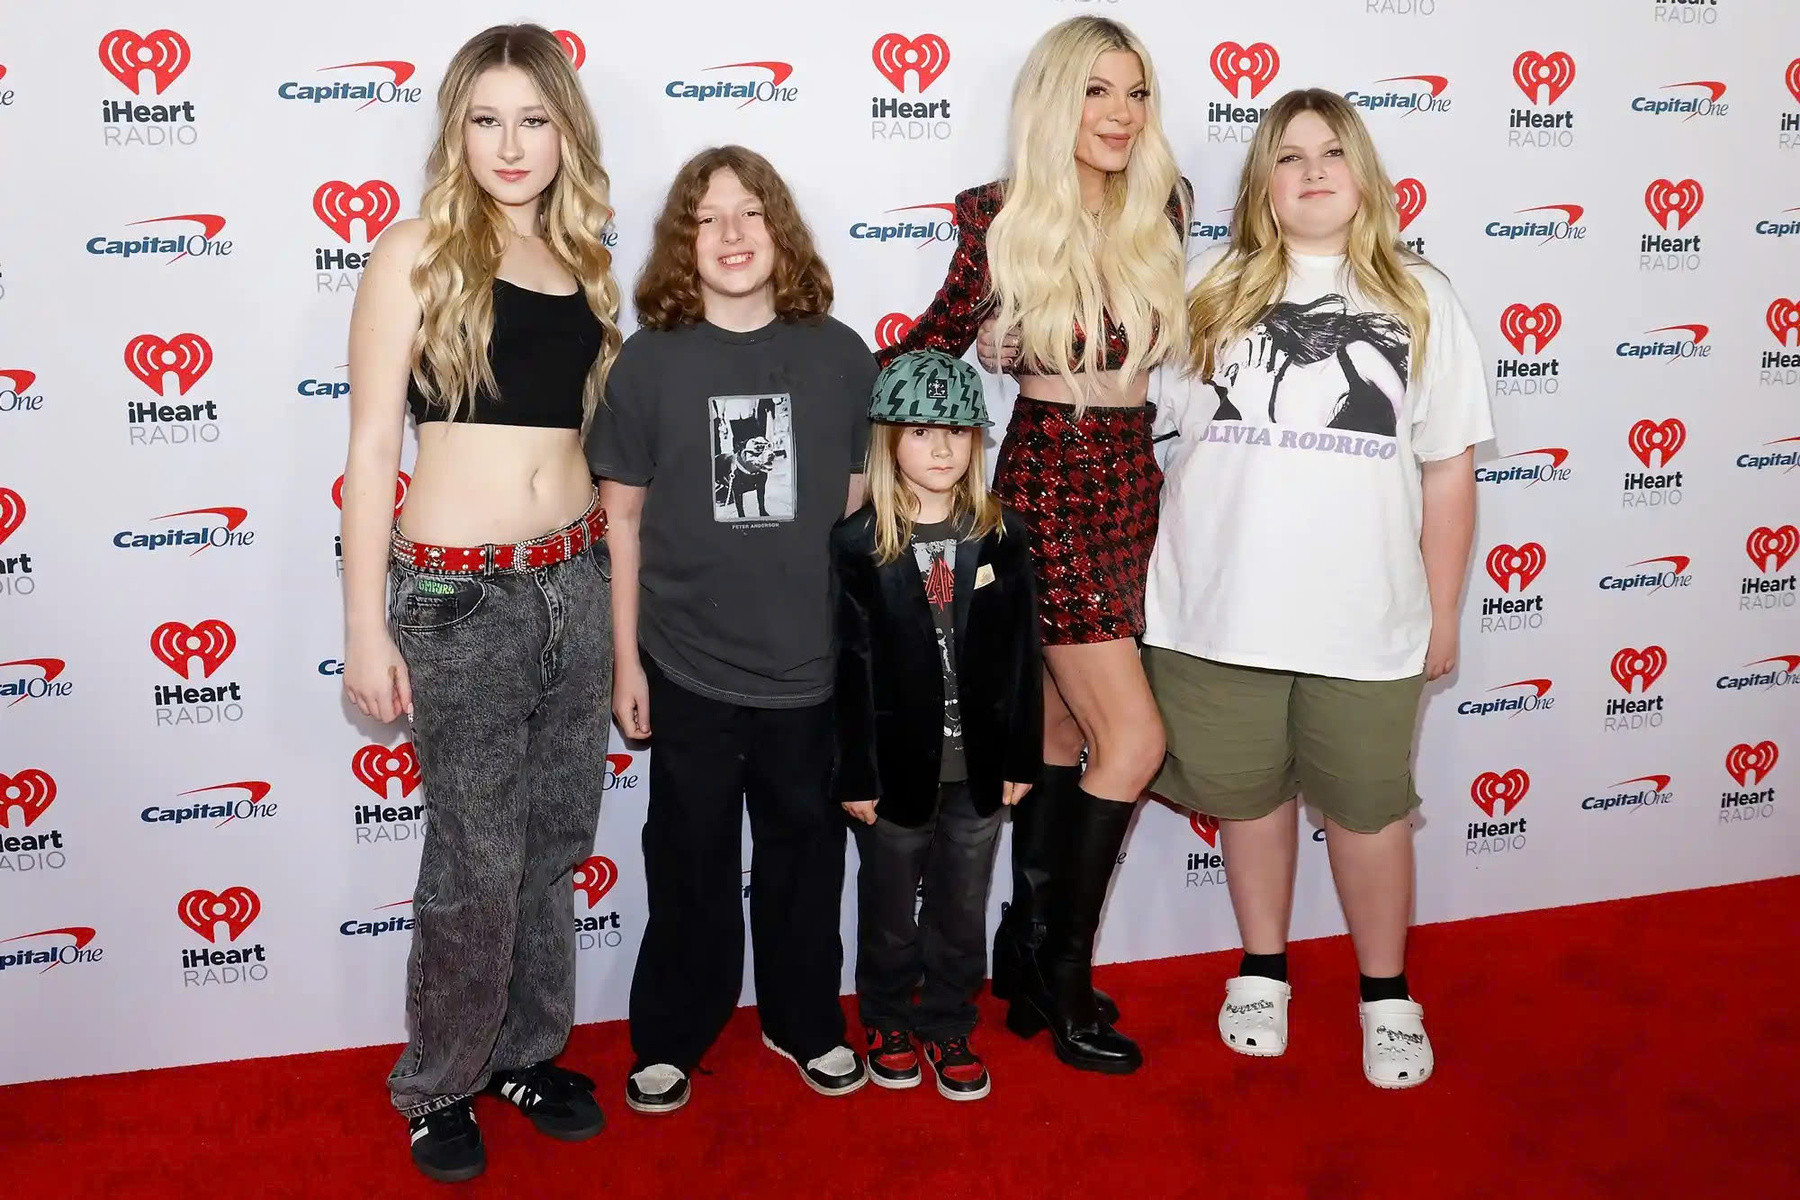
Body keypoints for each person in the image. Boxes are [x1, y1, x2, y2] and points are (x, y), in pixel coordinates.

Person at [1143, 88, 1491, 1089]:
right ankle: (1262, 969)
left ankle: (1387, 993)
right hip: (1218, 611)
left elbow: (1447, 472)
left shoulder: (1422, 296)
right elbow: (1134, 415)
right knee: (1248, 801)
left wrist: (1443, 610)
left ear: (1364, 175)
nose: (1311, 171)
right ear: (1262, 182)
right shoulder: (1202, 285)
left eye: (1331, 152)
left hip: (1366, 618)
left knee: (1370, 812)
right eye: (1288, 155)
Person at [339, 23, 623, 1183]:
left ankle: (524, 1053)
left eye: (534, 120)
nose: (511, 144)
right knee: (474, 857)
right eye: (487, 119)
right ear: (457, 131)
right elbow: (371, 449)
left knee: (553, 846)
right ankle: (439, 1084)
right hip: (461, 599)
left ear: (566, 133)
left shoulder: (585, 261)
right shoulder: (415, 252)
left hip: (578, 580)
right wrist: (365, 625)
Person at [880, 15, 1189, 1074]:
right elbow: (920, 356)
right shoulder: (998, 215)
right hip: (1052, 481)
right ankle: (1064, 975)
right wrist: (984, 346)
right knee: (1133, 742)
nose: (1121, 114)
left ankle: (1021, 950)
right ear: (1057, 101)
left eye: (1135, 93)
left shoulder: (1164, 204)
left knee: (1061, 731)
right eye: (1098, 91)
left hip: (1134, 479)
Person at [587, 145, 876, 1114]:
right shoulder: (648, 361)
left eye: (750, 212)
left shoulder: (841, 355)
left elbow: (854, 513)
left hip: (810, 671)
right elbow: (621, 520)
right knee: (688, 859)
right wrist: (625, 662)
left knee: (807, 859)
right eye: (707, 218)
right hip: (686, 664)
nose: (732, 234)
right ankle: (673, 1034)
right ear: (684, 242)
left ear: (779, 229)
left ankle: (806, 1022)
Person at [832, 350, 1043, 1101]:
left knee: (961, 907)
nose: (942, 447)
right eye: (921, 431)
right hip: (895, 772)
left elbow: (1022, 655)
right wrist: (856, 773)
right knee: (890, 911)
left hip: (979, 770)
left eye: (956, 430)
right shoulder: (858, 542)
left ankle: (950, 1020)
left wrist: (1021, 757)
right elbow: (850, 669)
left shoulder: (1004, 534)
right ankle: (887, 1018)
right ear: (889, 441)